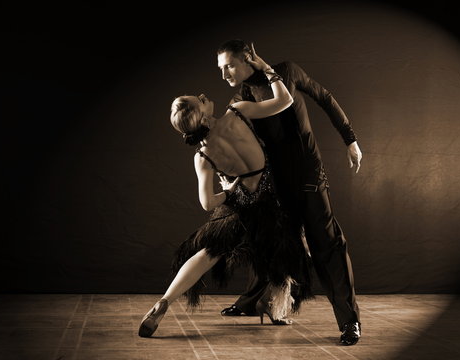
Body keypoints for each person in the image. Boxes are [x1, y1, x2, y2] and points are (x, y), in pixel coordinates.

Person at [138, 46, 312, 338]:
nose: (205, 96)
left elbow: (208, 203)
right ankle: (277, 309)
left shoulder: (202, 157)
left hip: (241, 202)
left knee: (209, 252)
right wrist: (268, 69)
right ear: (203, 118)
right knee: (285, 247)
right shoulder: (238, 111)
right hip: (270, 194)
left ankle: (164, 301)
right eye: (201, 101)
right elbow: (285, 100)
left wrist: (231, 192)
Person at [217, 39, 362, 345]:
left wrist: (350, 138)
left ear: (248, 58)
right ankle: (249, 303)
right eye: (221, 68)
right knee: (274, 241)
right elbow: (240, 144)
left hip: (308, 174)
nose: (224, 74)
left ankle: (350, 323)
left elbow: (325, 97)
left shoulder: (287, 71)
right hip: (276, 181)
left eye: (229, 65)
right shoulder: (242, 95)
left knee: (327, 246)